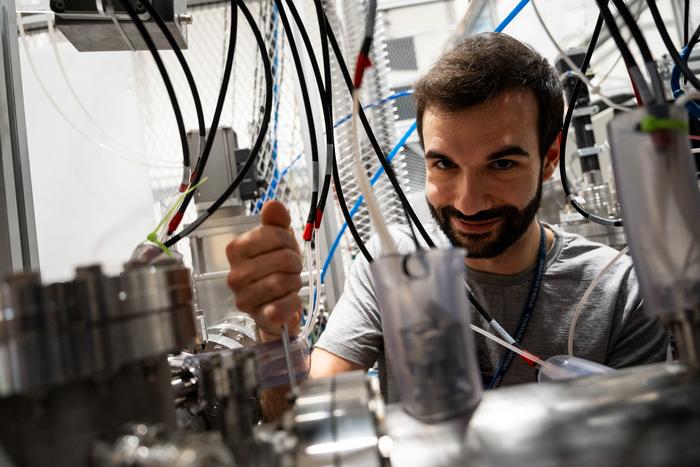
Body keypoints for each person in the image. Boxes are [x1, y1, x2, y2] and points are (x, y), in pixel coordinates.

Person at [225, 32, 669, 420]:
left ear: (550, 158)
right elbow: (306, 413)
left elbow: (644, 444)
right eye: (444, 164)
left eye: (502, 163)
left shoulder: (617, 291)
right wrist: (274, 336)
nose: (468, 201)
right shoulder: (394, 266)